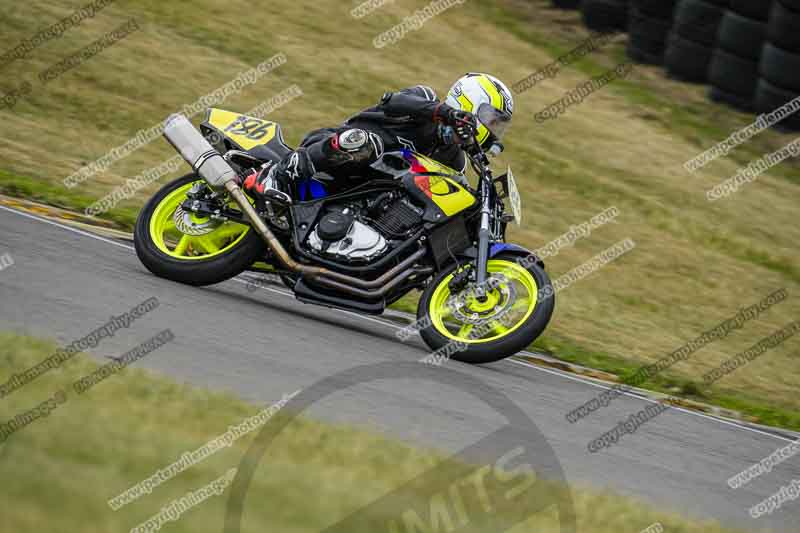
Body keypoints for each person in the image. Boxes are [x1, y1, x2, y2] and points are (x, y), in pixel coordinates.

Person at [244, 73, 514, 200]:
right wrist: (443, 112)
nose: (492, 129)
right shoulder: (424, 99)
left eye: (498, 125)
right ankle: (278, 175)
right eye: (491, 118)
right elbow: (392, 102)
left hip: (357, 196)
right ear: (468, 100)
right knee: (366, 144)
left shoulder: (453, 159)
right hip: (331, 151)